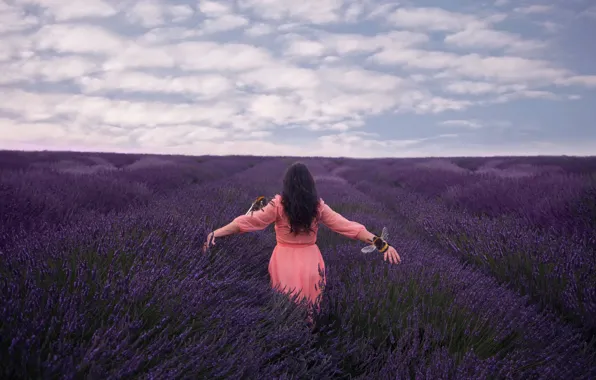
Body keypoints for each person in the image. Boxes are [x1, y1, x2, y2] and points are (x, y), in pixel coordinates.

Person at [202, 162, 401, 324]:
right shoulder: (318, 207)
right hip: (311, 263)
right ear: (310, 184)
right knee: (310, 313)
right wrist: (381, 243)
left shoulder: (278, 205)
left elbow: (246, 222)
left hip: (283, 261)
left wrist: (217, 233)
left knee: (285, 311)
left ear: (286, 184)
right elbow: (348, 226)